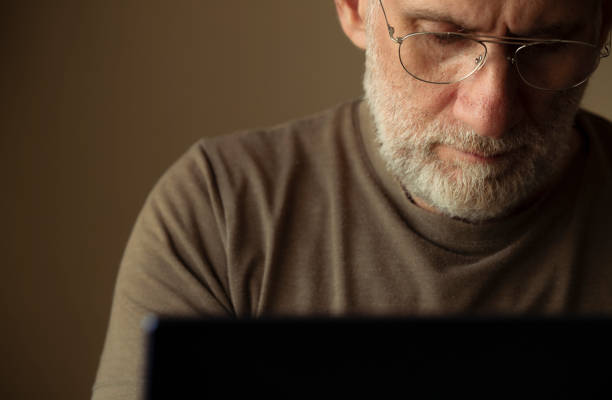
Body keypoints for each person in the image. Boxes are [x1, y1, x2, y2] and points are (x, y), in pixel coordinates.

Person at [93, 0, 612, 398]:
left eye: (547, 46)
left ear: (602, 26)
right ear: (355, 8)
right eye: (440, 37)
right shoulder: (221, 212)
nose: (490, 115)